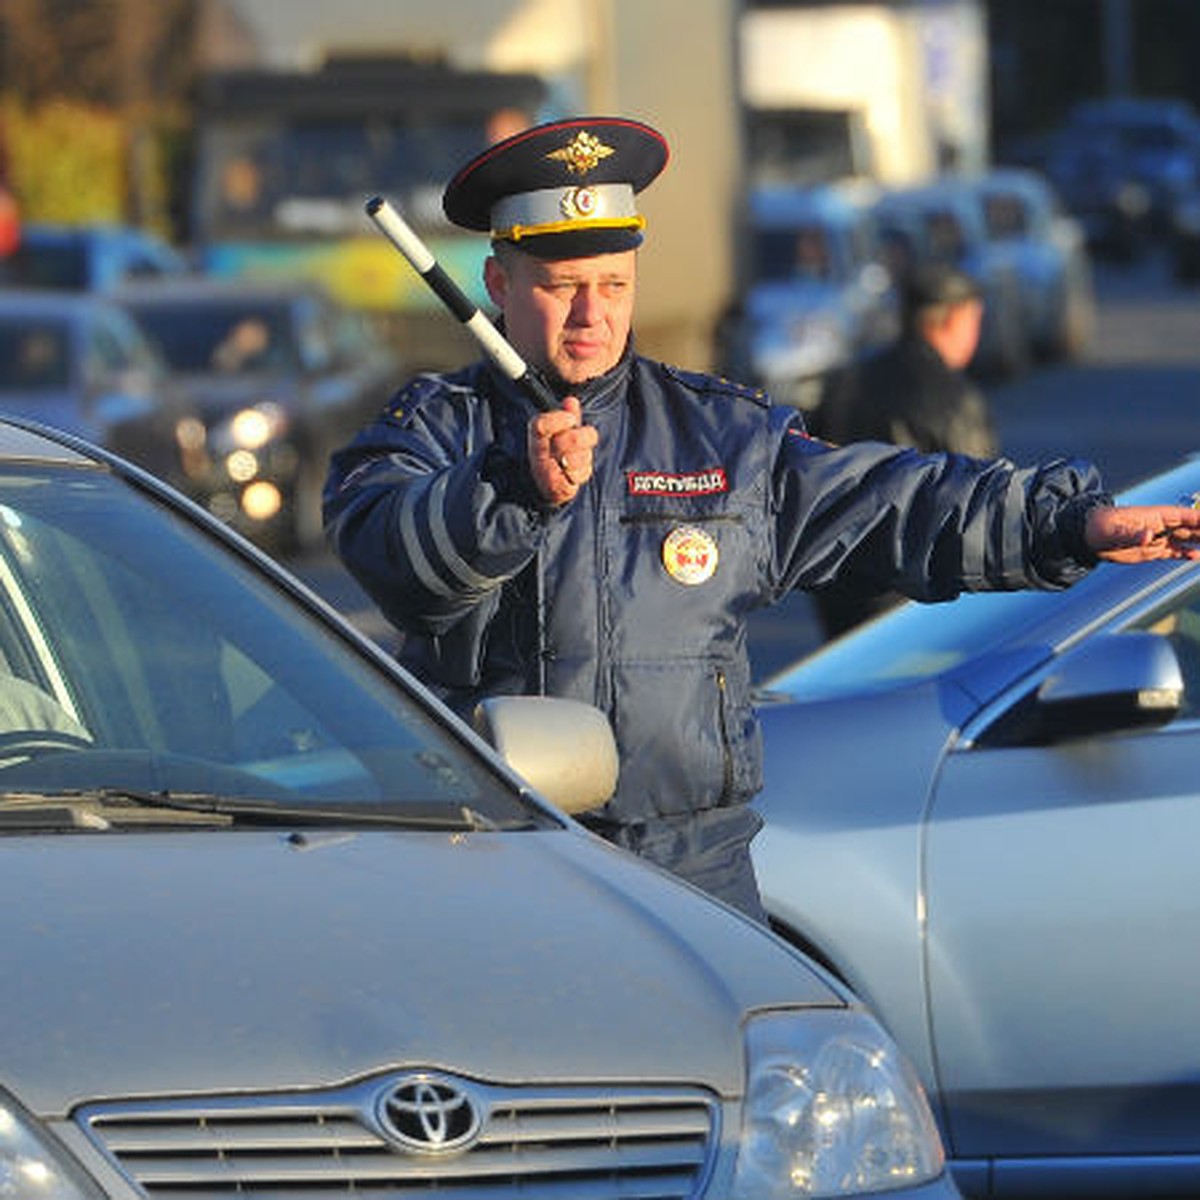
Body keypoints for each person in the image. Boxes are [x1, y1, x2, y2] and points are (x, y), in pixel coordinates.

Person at [324, 116, 1200, 924]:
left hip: (693, 874)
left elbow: (900, 501)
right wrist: (511, 485)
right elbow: (391, 560)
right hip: (498, 868)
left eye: (613, 284)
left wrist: (1075, 526)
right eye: (561, 286)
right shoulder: (435, 428)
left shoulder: (723, 433)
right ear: (498, 283)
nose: (593, 315)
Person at [809, 262, 998, 638]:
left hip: (840, 592)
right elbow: (984, 508)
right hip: (919, 605)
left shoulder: (847, 382)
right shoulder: (956, 398)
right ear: (954, 319)